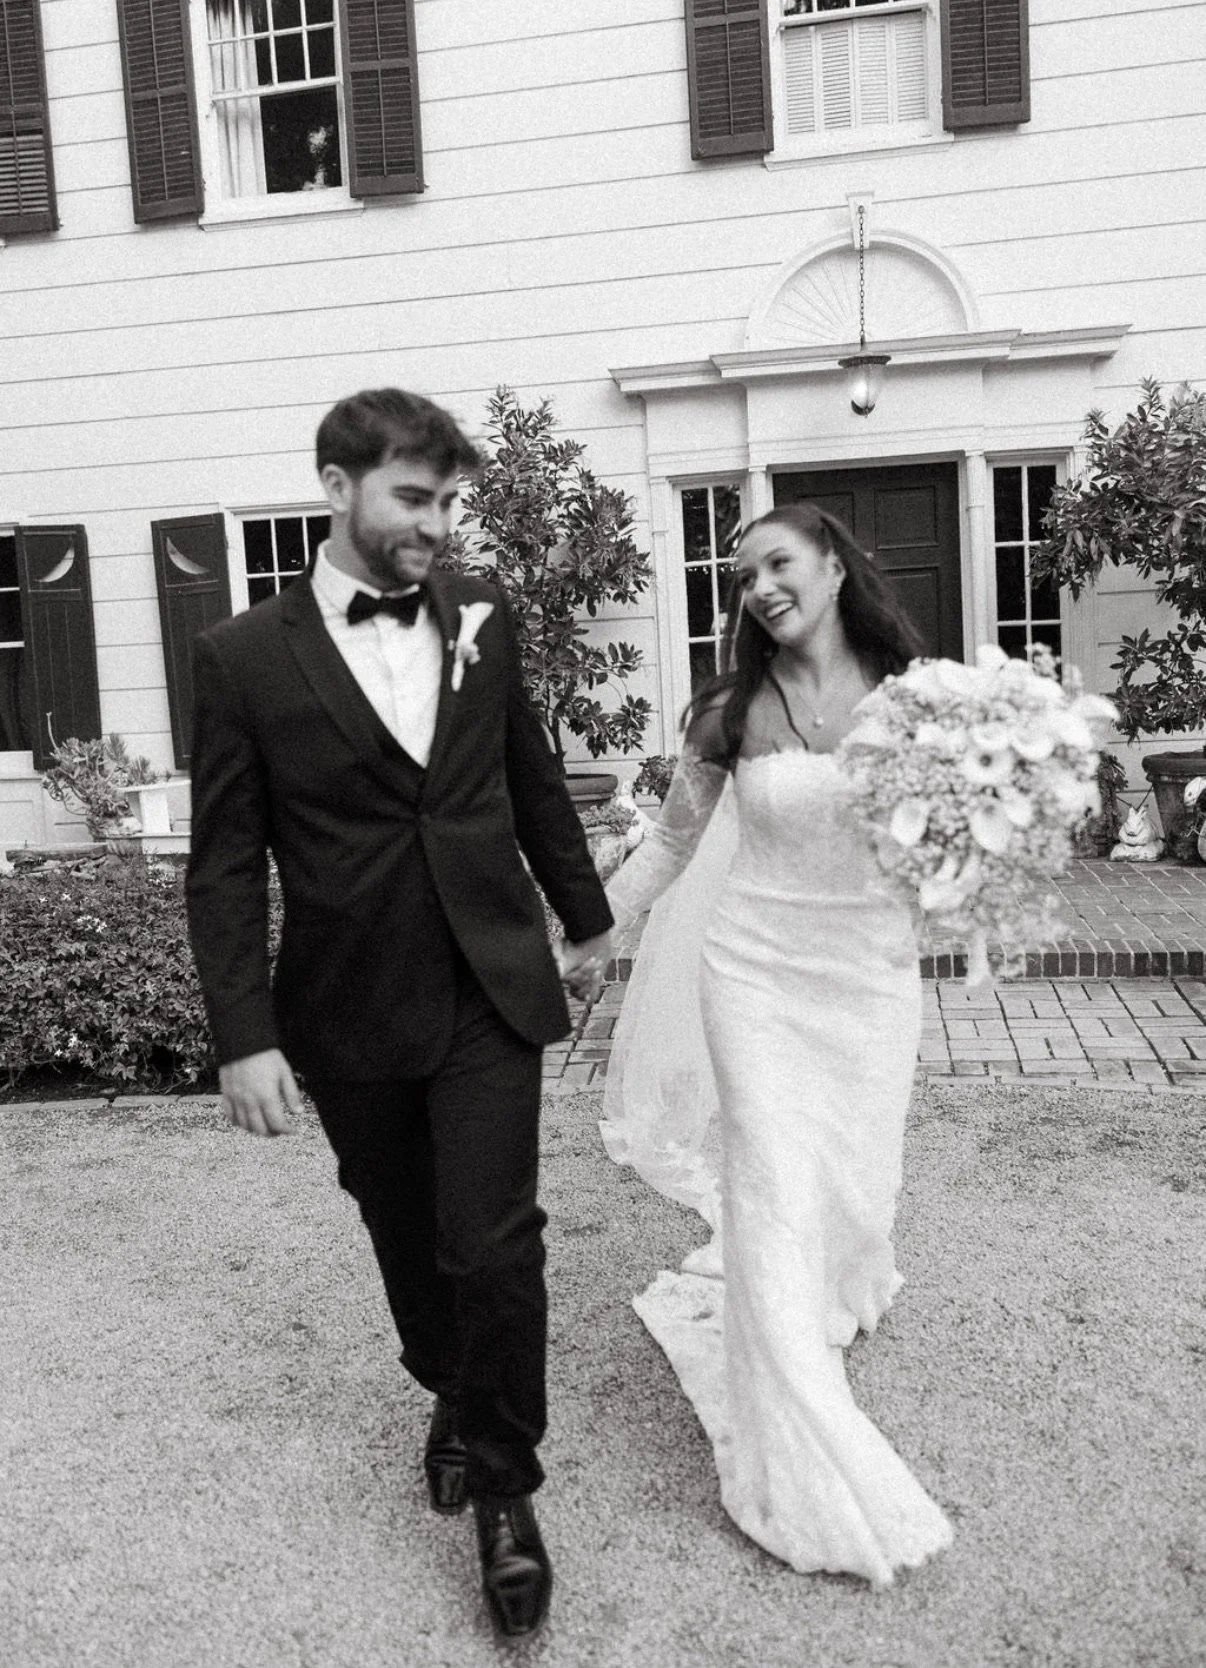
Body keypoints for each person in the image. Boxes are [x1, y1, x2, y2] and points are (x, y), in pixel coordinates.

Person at [185, 388, 612, 1639]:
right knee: (406, 1234)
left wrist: (586, 918)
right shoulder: (240, 659)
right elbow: (224, 863)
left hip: (488, 979)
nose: (436, 523)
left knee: (494, 1243)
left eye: (447, 501)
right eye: (413, 498)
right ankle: (450, 1386)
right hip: (350, 1001)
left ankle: (507, 1491)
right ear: (337, 487)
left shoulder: (483, 611)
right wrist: (244, 1035)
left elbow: (529, 774)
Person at [601, 502, 954, 1586]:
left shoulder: (919, 700)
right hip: (752, 971)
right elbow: (670, 847)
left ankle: (828, 1290)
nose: (758, 586)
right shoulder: (730, 709)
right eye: (742, 573)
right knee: (770, 1183)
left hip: (868, 979)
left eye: (778, 562)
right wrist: (586, 931)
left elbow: (944, 851)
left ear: (835, 568)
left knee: (853, 1182)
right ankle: (793, 1421)